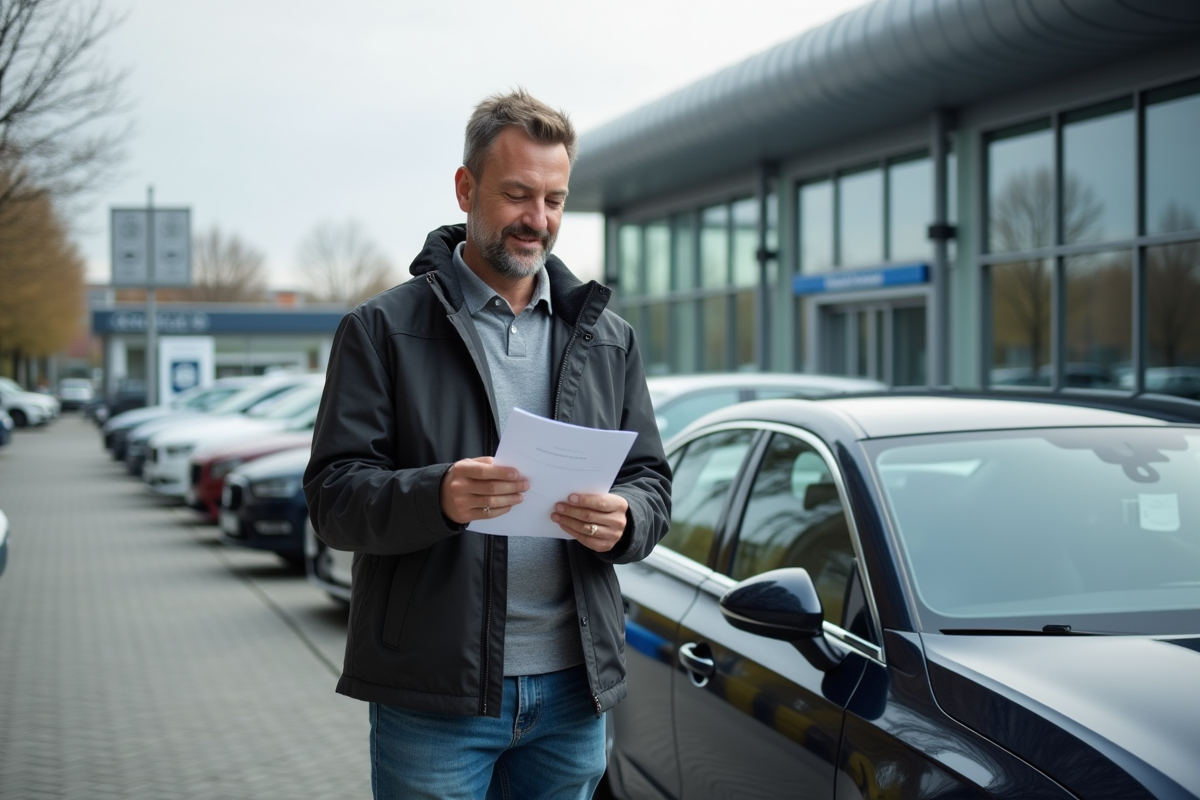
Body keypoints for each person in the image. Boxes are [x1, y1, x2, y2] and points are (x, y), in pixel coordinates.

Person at [303, 89, 672, 800]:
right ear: (466, 189)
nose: (539, 220)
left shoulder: (607, 338)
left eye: (555, 200)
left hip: (573, 692)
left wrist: (627, 516)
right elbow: (333, 500)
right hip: (434, 695)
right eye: (517, 195)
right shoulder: (381, 330)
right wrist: (437, 495)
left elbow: (651, 479)